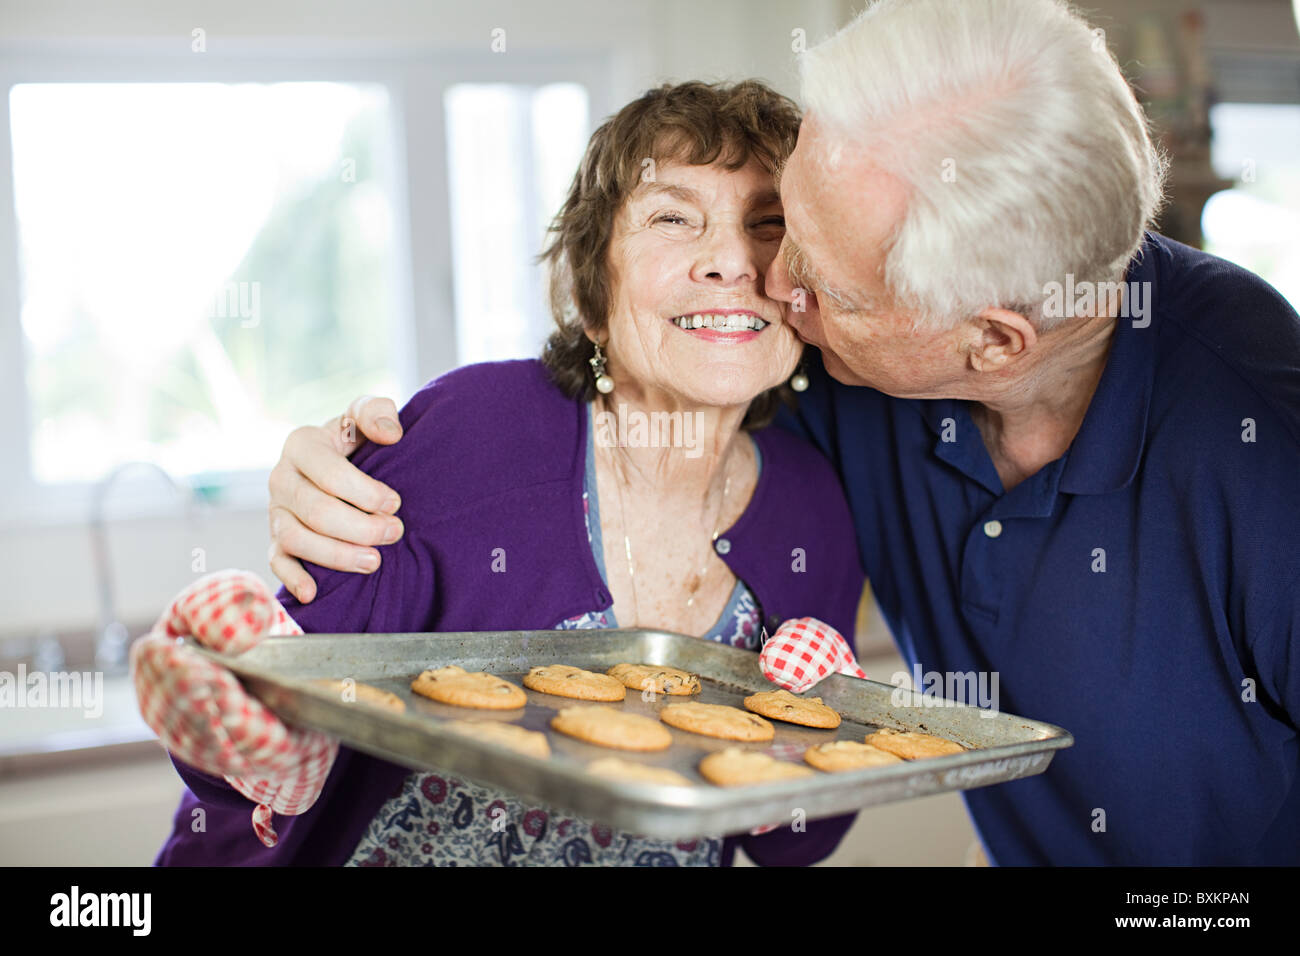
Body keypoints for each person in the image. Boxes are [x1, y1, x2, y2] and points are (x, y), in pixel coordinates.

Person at [269, 0, 1300, 865]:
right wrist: (335, 454)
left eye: (808, 264)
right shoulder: (832, 364)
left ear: (986, 340)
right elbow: (631, 361)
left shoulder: (1267, 460)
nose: (767, 280)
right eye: (785, 219)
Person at [137, 79, 866, 867]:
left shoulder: (812, 502)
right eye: (672, 218)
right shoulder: (478, 429)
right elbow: (266, 733)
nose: (731, 260)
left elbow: (798, 843)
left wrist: (815, 731)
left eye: (770, 226)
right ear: (593, 292)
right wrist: (248, 701)